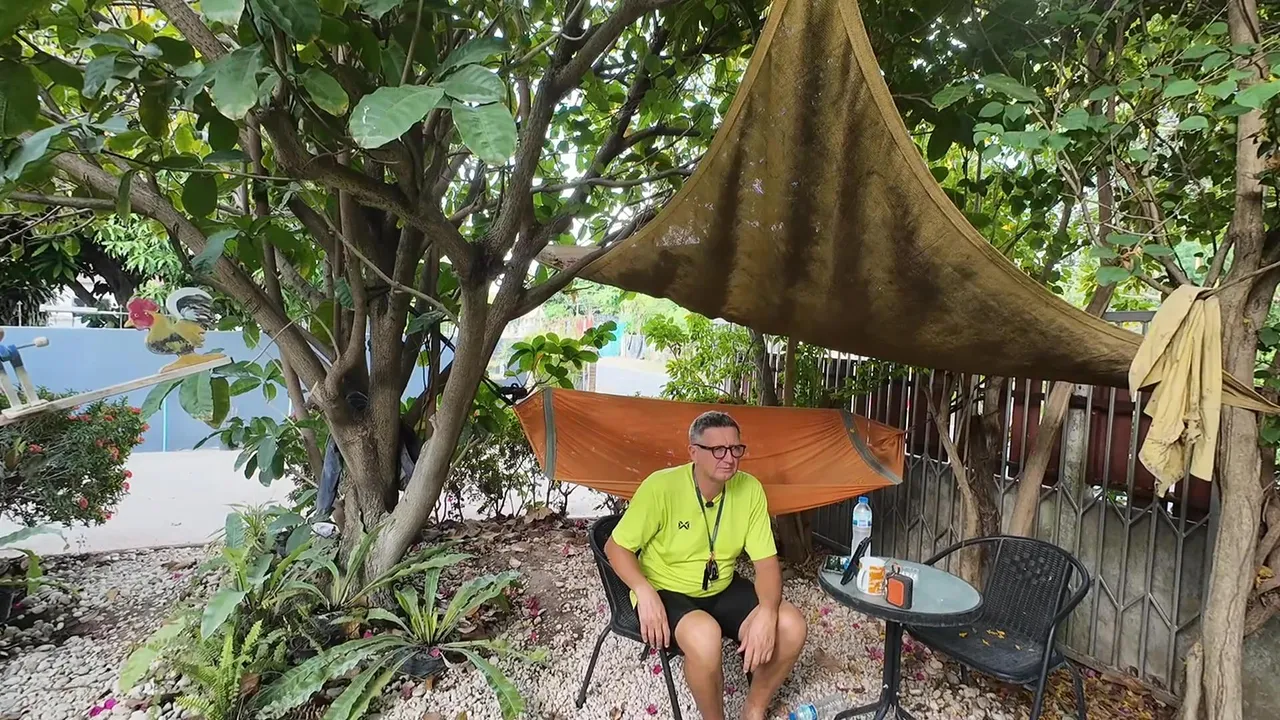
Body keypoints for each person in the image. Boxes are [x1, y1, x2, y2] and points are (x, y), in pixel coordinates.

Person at [605, 411, 808, 720]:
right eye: (717, 450)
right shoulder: (661, 487)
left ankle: (754, 709)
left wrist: (768, 613)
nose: (729, 458)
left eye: (735, 449)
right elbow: (616, 547)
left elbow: (767, 564)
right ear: (693, 452)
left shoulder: (750, 489)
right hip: (665, 588)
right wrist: (643, 591)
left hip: (721, 585)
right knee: (705, 636)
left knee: (791, 625)